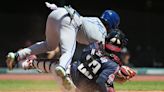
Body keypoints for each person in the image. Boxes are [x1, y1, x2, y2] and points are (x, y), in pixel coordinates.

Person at [6, 2, 120, 90]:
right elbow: (102, 62)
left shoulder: (94, 19)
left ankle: (17, 55)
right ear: (112, 26)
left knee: (49, 45)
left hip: (56, 12)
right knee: (68, 53)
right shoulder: (103, 35)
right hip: (69, 20)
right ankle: (62, 69)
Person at [70, 29, 135, 92]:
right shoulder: (114, 63)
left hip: (73, 73)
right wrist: (118, 73)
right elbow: (101, 80)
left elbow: (82, 58)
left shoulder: (94, 45)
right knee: (107, 85)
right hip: (86, 84)